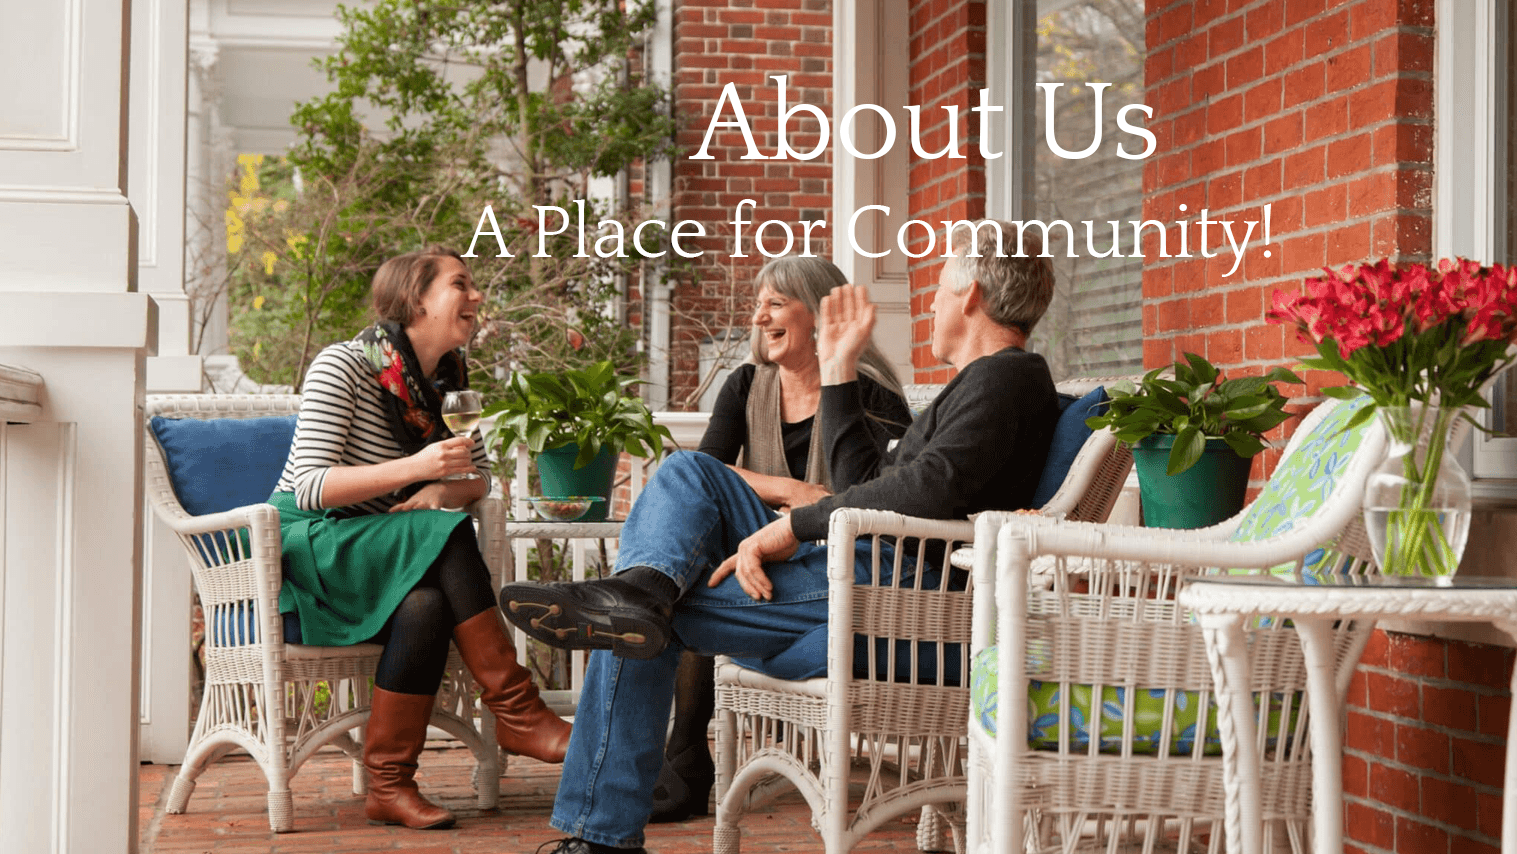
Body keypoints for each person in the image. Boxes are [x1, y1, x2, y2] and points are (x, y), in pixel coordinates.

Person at [502, 222, 1062, 854]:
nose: (930, 301)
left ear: (972, 294)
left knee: (639, 620)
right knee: (688, 477)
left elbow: (924, 492)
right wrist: (839, 369)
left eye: (937, 285)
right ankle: (642, 590)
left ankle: (601, 834)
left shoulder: (1007, 379)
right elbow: (871, 483)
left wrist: (793, 526)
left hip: (902, 595)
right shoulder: (983, 384)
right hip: (864, 570)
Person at [272, 245, 571, 830]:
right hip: (316, 545)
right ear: (415, 298)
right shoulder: (344, 365)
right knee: (442, 533)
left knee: (426, 604)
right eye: (461, 284)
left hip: (389, 545)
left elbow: (476, 477)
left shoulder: (451, 381)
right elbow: (308, 485)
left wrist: (440, 491)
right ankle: (517, 708)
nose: (477, 296)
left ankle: (388, 784)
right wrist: (419, 470)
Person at [648, 256, 913, 821]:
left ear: (821, 315)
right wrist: (793, 489)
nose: (759, 315)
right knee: (690, 506)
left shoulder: (871, 397)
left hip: (835, 562)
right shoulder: (746, 385)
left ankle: (685, 758)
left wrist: (813, 508)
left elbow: (876, 505)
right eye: (758, 303)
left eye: (775, 302)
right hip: (755, 549)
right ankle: (685, 754)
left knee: (686, 585)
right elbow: (708, 472)